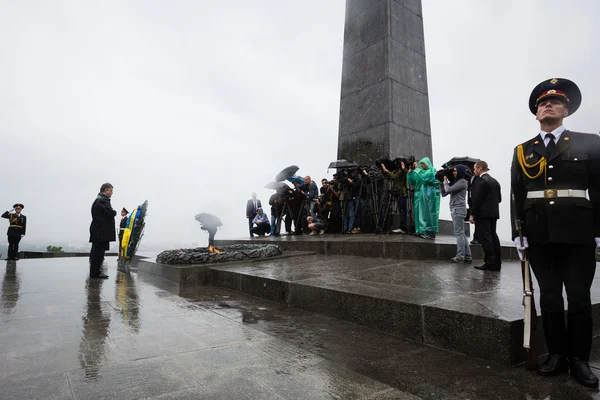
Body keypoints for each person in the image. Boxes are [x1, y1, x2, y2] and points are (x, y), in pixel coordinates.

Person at [511, 78, 600, 388]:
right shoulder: (523, 150)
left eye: (554, 102)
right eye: (541, 104)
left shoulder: (589, 142)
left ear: (566, 109)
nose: (546, 105)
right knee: (549, 297)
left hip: (578, 232)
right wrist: (518, 232)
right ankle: (557, 355)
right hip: (539, 233)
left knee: (578, 297)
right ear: (536, 114)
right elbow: (517, 195)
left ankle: (579, 359)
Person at [470, 161, 502, 271]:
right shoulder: (495, 181)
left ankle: (489, 263)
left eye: (475, 169)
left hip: (482, 214)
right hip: (493, 213)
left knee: (485, 238)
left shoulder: (481, 181)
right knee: (493, 236)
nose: (474, 171)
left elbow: (477, 200)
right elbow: (499, 199)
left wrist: (472, 214)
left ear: (480, 168)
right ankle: (497, 263)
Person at [441, 165, 472, 263]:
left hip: (458, 209)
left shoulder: (462, 182)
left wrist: (445, 181)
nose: (453, 173)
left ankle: (460, 256)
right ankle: (467, 256)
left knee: (459, 233)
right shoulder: (456, 182)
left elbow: (448, 190)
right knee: (461, 233)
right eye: (453, 171)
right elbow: (444, 193)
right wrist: (441, 182)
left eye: (455, 171)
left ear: (460, 172)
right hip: (456, 209)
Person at [407, 157, 440, 239]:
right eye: (420, 164)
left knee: (428, 213)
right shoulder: (419, 172)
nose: (421, 165)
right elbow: (413, 182)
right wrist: (410, 174)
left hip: (428, 196)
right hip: (419, 195)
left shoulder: (432, 171)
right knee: (419, 213)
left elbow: (424, 178)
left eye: (423, 164)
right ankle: (420, 230)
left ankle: (429, 232)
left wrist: (416, 170)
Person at [89, 183, 117, 279]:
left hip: (98, 230)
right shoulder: (103, 200)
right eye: (111, 190)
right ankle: (95, 273)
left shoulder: (98, 199)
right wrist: (115, 212)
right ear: (105, 190)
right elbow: (109, 213)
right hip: (101, 231)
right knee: (98, 253)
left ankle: (94, 272)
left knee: (96, 251)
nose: (112, 193)